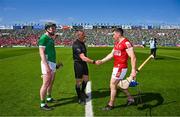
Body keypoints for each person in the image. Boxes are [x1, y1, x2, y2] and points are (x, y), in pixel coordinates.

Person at [96, 28, 137, 111]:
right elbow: (111, 54)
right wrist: (102, 61)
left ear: (118, 34)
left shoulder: (126, 43)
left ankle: (110, 104)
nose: (113, 36)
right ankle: (130, 98)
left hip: (121, 68)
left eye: (114, 34)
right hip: (116, 67)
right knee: (118, 85)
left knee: (112, 84)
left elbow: (133, 57)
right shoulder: (117, 43)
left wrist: (133, 70)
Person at [72, 30, 96, 105]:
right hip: (78, 64)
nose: (84, 36)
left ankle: (82, 92)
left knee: (86, 80)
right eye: (83, 35)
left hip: (84, 64)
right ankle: (79, 98)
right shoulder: (76, 45)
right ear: (79, 36)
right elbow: (83, 57)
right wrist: (94, 62)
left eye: (84, 34)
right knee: (79, 82)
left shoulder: (82, 43)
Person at [38, 22, 58, 110]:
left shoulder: (50, 38)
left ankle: (49, 98)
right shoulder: (44, 38)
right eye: (52, 28)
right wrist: (46, 66)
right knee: (45, 83)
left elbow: (52, 43)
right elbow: (41, 53)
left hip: (52, 62)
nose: (54, 30)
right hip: (47, 63)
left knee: (51, 82)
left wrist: (55, 65)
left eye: (54, 28)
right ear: (47, 29)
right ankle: (43, 104)